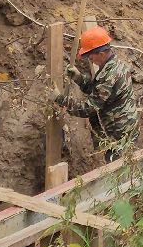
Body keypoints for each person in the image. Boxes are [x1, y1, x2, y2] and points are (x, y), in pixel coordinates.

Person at [57, 26, 136, 159]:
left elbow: (89, 108)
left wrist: (60, 99)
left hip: (118, 136)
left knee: (118, 172)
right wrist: (79, 78)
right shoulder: (115, 65)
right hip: (125, 129)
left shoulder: (110, 75)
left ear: (101, 54)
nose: (90, 60)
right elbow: (99, 91)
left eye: (90, 56)